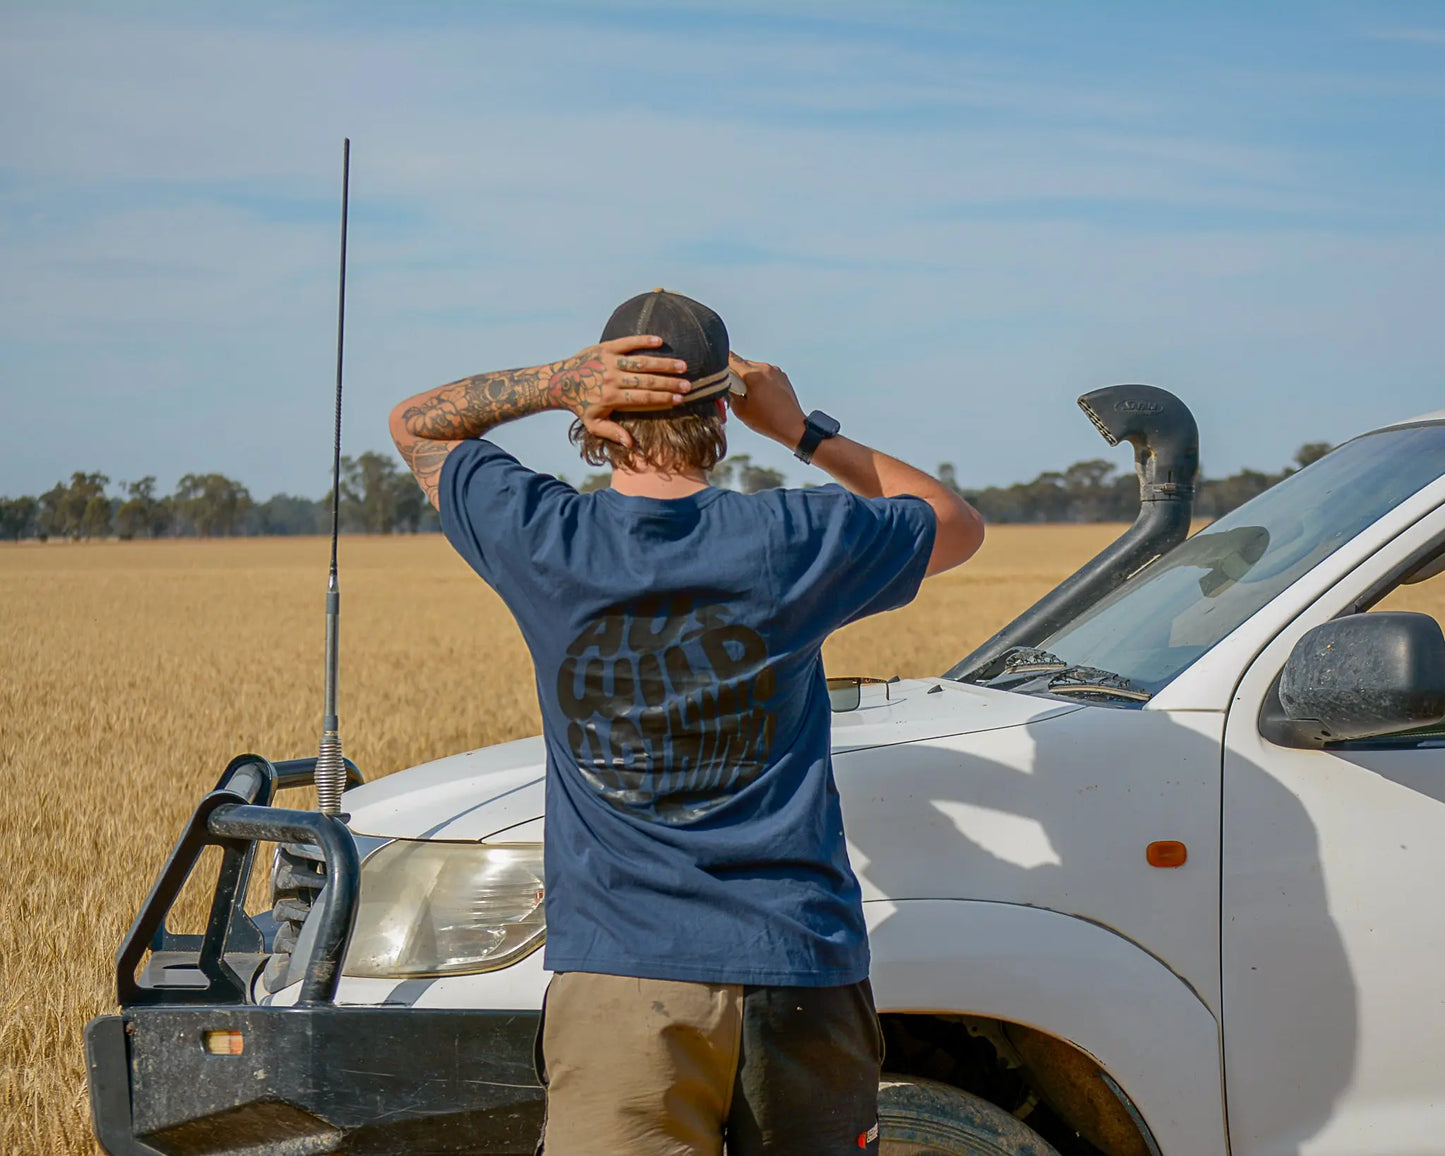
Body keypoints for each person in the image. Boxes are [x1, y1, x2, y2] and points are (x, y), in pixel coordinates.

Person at [389, 289, 984, 1156]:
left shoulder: (544, 535)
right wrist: (800, 430)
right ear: (723, 412)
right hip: (798, 966)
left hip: (624, 975)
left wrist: (554, 382)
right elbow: (955, 524)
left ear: (597, 411)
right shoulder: (791, 536)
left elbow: (416, 425)